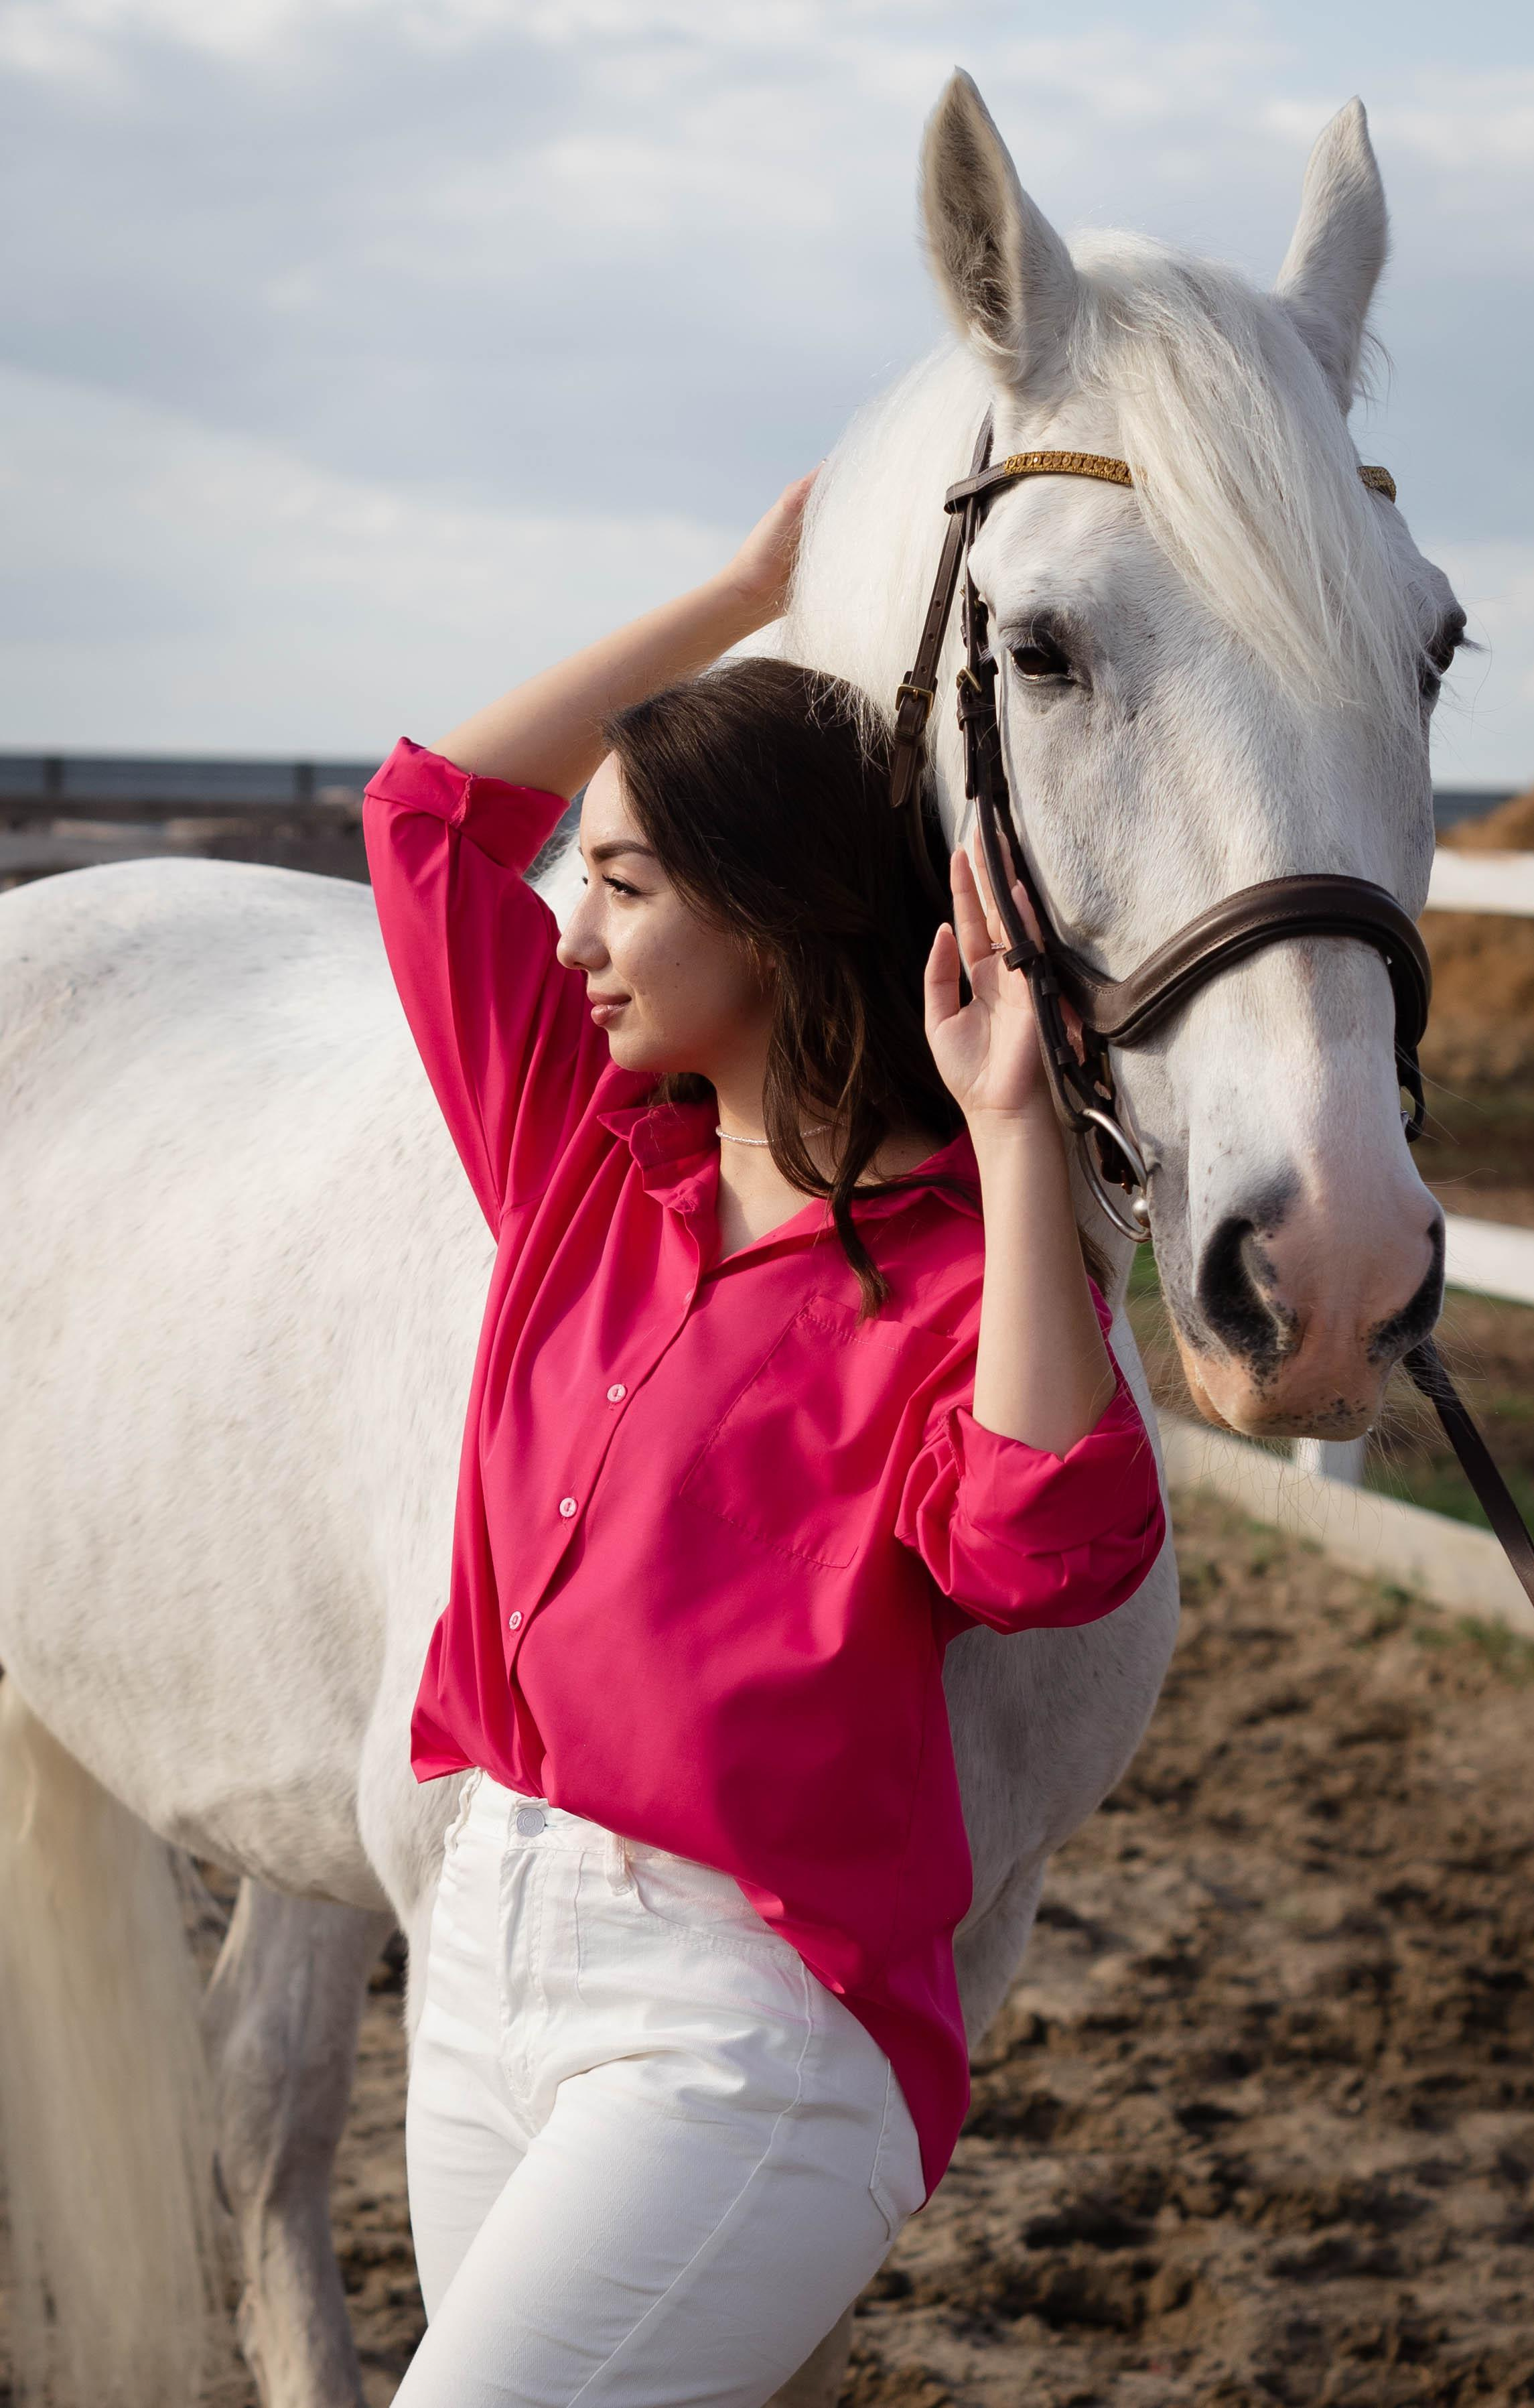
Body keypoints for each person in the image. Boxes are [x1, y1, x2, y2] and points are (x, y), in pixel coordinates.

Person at [364, 470, 1166, 2408]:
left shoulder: (960, 1273)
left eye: (624, 883)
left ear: (779, 909)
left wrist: (1011, 1134)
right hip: (487, 1937)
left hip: (748, 2016)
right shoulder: (579, 1150)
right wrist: (738, 595)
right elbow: (426, 818)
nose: (574, 933)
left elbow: (1043, 1550)